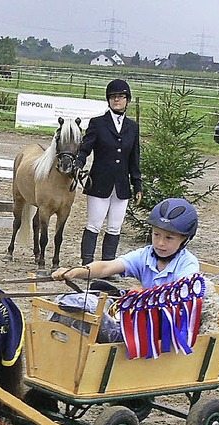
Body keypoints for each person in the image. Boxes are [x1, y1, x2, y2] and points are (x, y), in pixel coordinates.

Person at [52, 198, 199, 289]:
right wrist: (74, 272)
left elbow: (182, 292)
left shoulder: (188, 264)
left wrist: (145, 294)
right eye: (156, 234)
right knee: (99, 288)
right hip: (147, 314)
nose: (160, 243)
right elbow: (106, 267)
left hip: (172, 324)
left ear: (184, 239)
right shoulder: (145, 255)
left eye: (169, 238)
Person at [76, 78, 143, 267]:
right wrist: (78, 164)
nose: (117, 100)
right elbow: (85, 148)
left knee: (114, 227)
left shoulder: (133, 127)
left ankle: (107, 266)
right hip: (99, 183)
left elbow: (134, 158)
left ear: (127, 100)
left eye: (121, 97)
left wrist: (137, 183)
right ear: (108, 100)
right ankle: (87, 264)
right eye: (113, 97)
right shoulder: (98, 123)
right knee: (94, 225)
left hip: (121, 185)